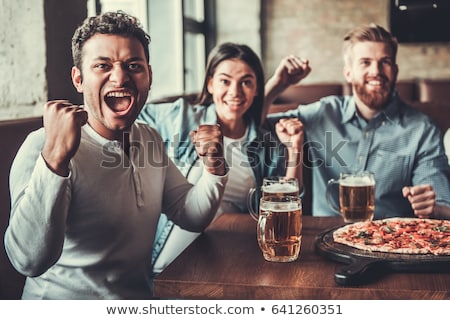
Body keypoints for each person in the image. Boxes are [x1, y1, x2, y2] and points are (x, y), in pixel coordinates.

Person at [4, 11, 229, 299]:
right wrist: (55, 160)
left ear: (149, 76)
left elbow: (189, 213)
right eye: (102, 65)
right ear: (78, 79)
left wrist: (214, 165)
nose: (120, 77)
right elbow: (28, 261)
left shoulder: (149, 138)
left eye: (134, 65)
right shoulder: (40, 146)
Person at [138, 42, 304, 274]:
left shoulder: (266, 143)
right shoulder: (182, 117)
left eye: (246, 82)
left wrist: (295, 151)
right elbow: (132, 115)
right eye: (225, 81)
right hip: (170, 257)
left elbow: (283, 205)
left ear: (257, 89)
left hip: (232, 252)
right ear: (210, 84)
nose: (235, 92)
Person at [264, 23, 450, 220]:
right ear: (348, 73)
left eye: (385, 61)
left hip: (388, 240)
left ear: (395, 70)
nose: (376, 71)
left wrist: (433, 208)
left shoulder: (422, 130)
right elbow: (251, 125)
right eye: (365, 62)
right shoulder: (323, 113)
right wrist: (277, 85)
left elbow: (442, 204)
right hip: (324, 237)